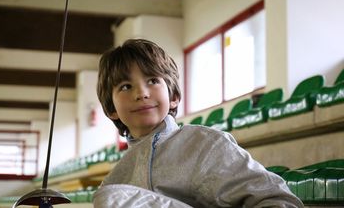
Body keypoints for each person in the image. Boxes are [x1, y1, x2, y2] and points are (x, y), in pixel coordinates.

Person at [93, 39, 303, 207]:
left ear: (173, 95)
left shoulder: (205, 145)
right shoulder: (115, 181)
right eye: (126, 86)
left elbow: (278, 200)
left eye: (153, 81)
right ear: (111, 109)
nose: (142, 93)